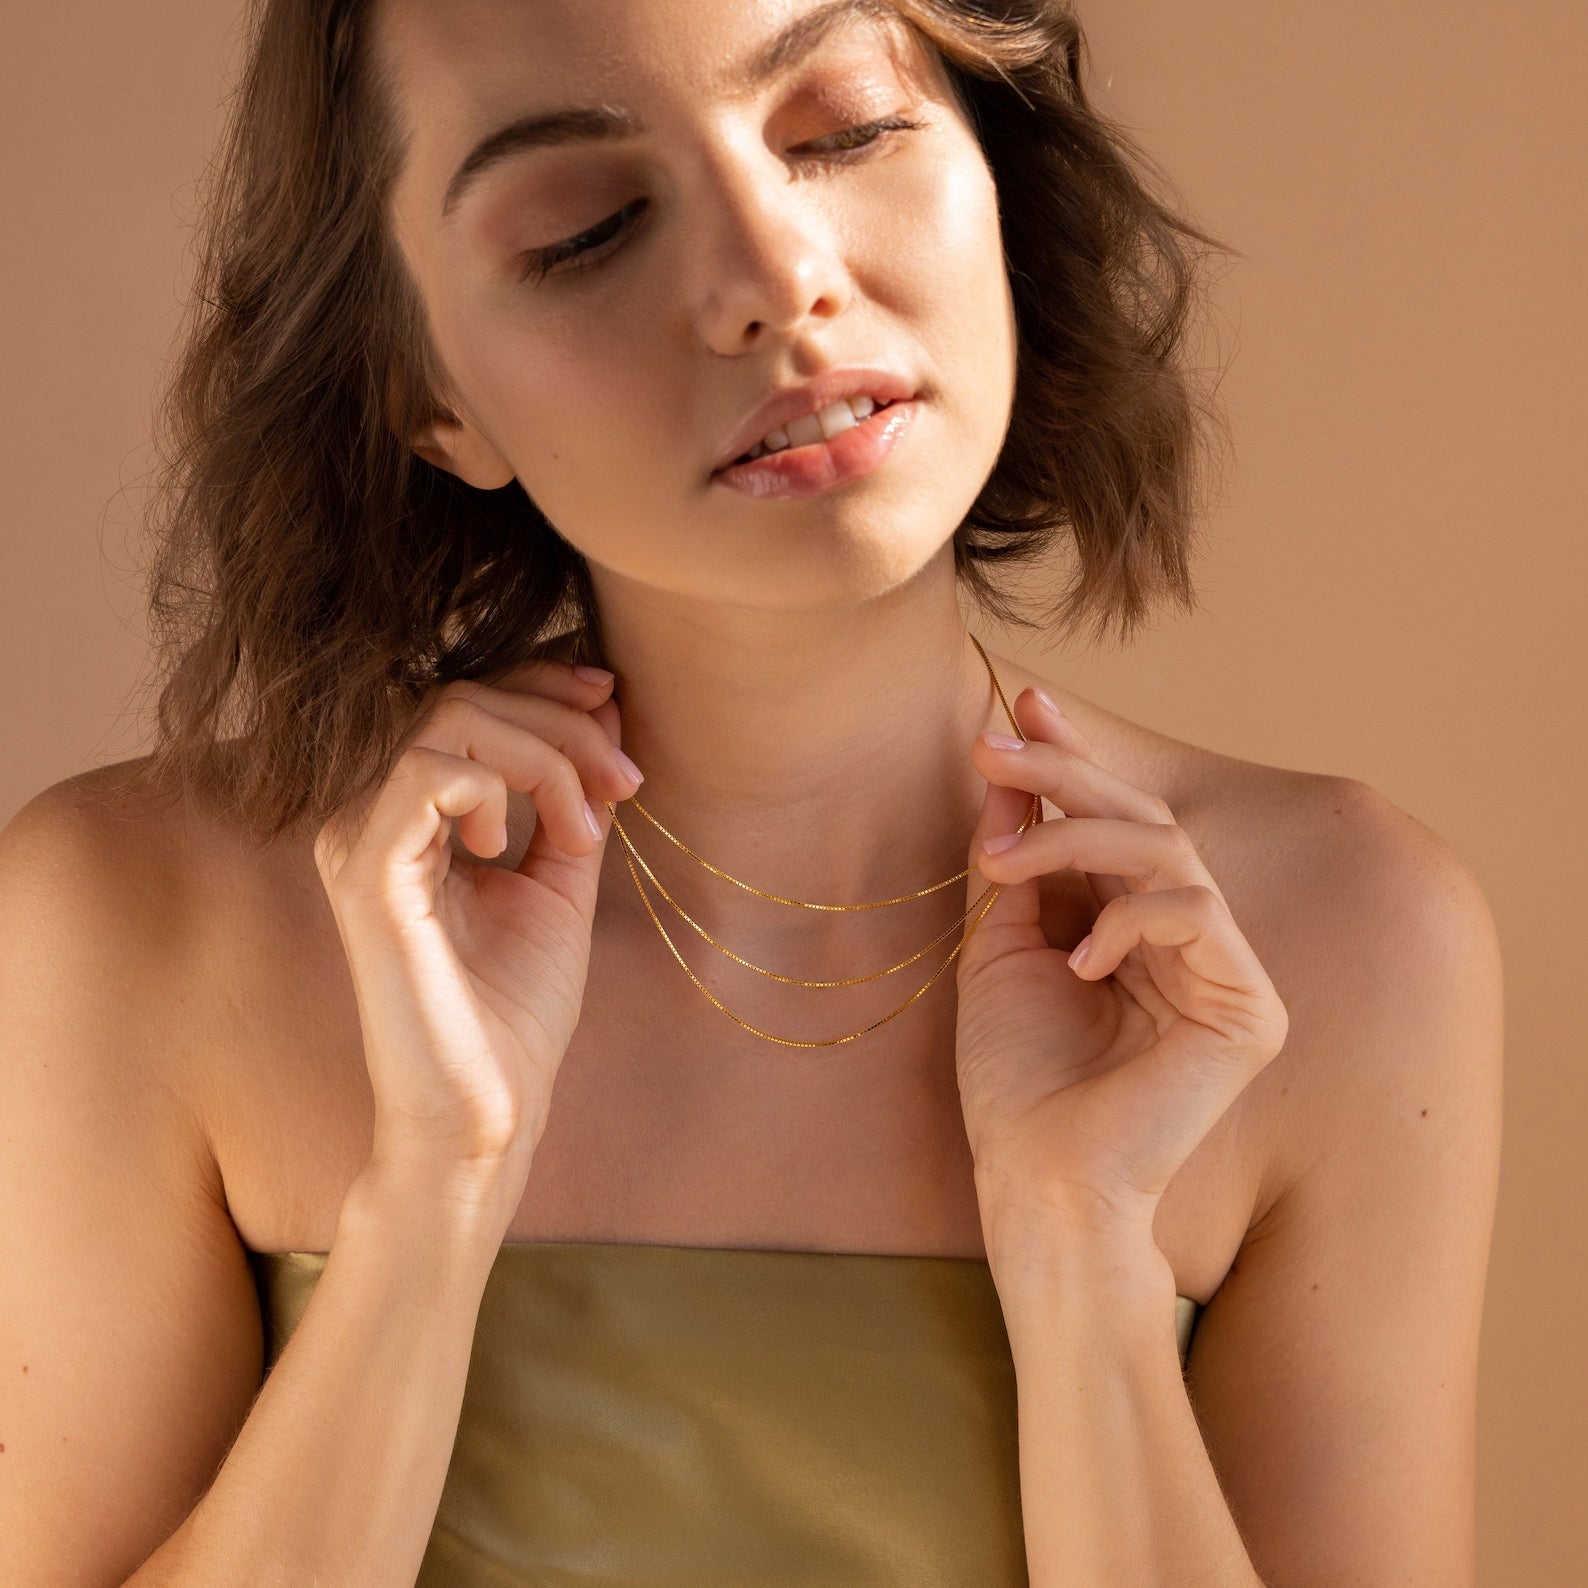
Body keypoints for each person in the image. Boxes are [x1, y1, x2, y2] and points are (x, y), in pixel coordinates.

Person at [0, 1, 1502, 1584]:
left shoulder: (1334, 937)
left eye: (845, 129)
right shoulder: (140, 916)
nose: (779, 277)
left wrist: (1089, 1276)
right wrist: (429, 1198)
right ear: (427, 392)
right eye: (587, 231)